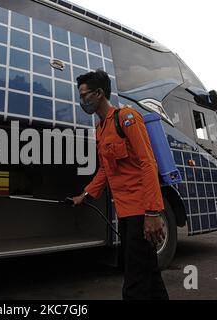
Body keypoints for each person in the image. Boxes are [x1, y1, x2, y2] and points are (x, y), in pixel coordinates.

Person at [72, 70, 169, 300]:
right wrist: (85, 194)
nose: (82, 100)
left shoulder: (126, 118)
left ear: (99, 93)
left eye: (84, 95)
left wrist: (153, 212)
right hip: (126, 213)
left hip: (141, 211)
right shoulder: (100, 128)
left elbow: (148, 163)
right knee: (149, 274)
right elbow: (106, 169)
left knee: (134, 282)